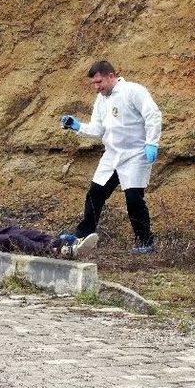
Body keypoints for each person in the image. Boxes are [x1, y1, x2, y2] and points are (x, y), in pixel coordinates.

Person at [60, 60, 162, 254]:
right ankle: (83, 234)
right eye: (94, 84)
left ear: (111, 76)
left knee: (134, 199)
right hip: (112, 154)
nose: (97, 87)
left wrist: (152, 142)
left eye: (99, 82)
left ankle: (145, 242)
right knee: (95, 194)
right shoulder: (101, 99)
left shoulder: (133, 91)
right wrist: (78, 127)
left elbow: (153, 115)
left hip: (135, 154)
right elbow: (98, 129)